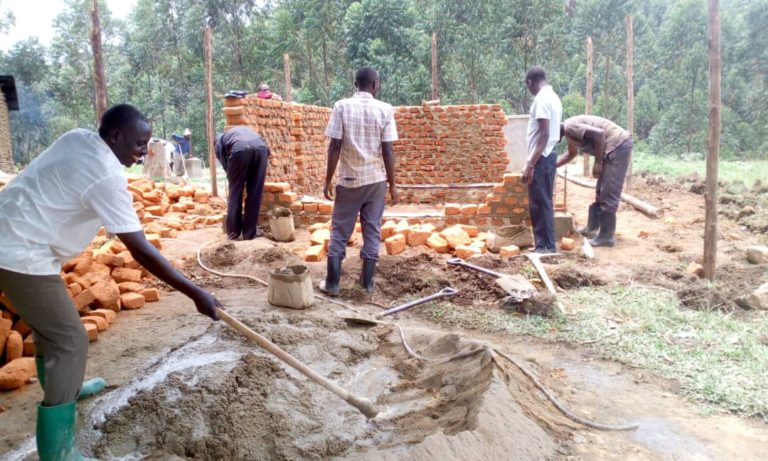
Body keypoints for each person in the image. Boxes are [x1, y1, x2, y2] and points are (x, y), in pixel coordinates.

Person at [0, 104, 221, 460]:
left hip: (19, 237)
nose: (143, 151)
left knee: (51, 329)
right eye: (138, 143)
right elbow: (141, 251)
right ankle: (58, 452)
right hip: (17, 251)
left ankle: (66, 387)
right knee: (70, 339)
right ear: (114, 135)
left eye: (147, 144)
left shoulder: (79, 139)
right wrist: (196, 293)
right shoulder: (105, 174)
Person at [320, 67, 398, 296]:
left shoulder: (341, 106)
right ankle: (367, 285)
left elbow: (334, 146)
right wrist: (392, 185)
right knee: (372, 230)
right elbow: (388, 149)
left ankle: (333, 284)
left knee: (340, 232)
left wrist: (327, 182)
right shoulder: (385, 109)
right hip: (376, 181)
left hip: (349, 180)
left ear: (356, 84)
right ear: (375, 84)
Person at [557, 115, 633, 247]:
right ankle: (592, 229)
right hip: (612, 148)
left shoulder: (571, 127)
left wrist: (597, 163)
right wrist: (552, 167)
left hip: (618, 145)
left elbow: (600, 134)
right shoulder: (570, 133)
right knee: (601, 190)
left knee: (609, 191)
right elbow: (571, 154)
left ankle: (606, 236)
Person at [522, 66, 562, 253]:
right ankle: (544, 245)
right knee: (542, 201)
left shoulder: (541, 100)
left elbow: (544, 135)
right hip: (547, 155)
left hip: (542, 157)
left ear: (530, 82)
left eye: (528, 86)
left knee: (540, 203)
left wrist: (530, 165)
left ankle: (545, 247)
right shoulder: (553, 97)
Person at [215, 127, 270, 240]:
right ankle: (249, 232)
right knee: (255, 193)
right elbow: (267, 152)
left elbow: (226, 165)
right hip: (261, 149)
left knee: (235, 193)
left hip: (239, 149)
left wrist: (234, 179)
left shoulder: (219, 142)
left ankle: (233, 233)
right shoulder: (235, 133)